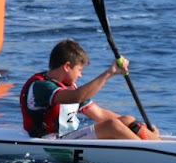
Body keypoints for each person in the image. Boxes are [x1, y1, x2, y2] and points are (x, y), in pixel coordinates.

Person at [19, 38, 160, 140]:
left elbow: (100, 114)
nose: (80, 75)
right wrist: (109, 73)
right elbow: (77, 97)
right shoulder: (41, 87)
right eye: (79, 70)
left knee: (127, 119)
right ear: (67, 66)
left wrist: (142, 127)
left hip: (68, 138)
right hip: (49, 142)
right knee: (112, 125)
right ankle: (152, 153)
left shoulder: (69, 87)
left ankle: (158, 144)